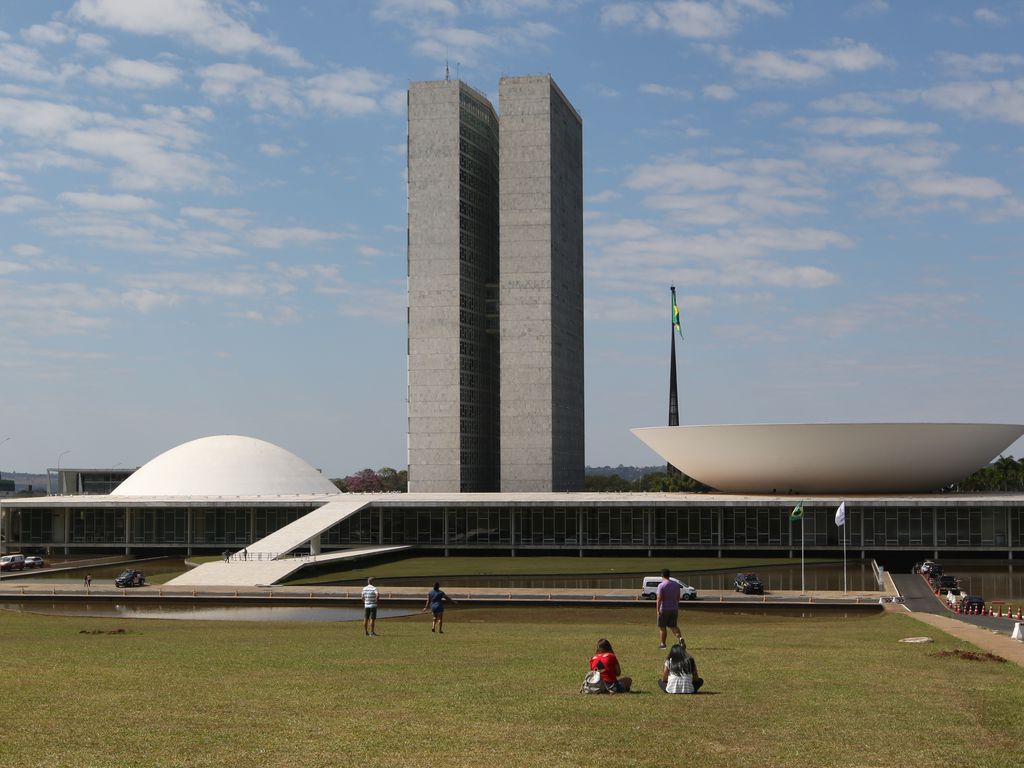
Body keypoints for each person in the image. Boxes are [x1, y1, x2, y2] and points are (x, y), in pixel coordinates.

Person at [656, 568, 684, 649]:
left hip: (664, 609)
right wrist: (675, 605)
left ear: (662, 575)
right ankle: (680, 638)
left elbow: (659, 599)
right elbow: (678, 597)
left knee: (662, 627)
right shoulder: (676, 584)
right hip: (674, 609)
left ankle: (663, 644)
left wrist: (658, 610)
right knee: (673, 626)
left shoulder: (661, 585)